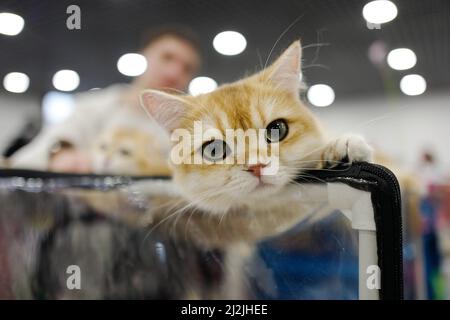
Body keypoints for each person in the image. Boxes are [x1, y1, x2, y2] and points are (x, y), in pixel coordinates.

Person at [10, 26, 201, 173]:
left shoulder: (187, 132)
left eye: (187, 68)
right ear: (145, 55)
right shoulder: (93, 107)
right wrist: (59, 154)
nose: (174, 72)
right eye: (167, 58)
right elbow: (26, 159)